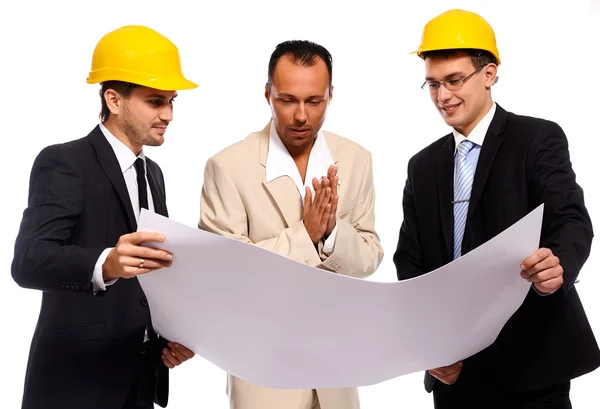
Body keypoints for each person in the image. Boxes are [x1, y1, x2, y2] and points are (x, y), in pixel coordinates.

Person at [392, 8, 600, 409]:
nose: (443, 96)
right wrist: (428, 345)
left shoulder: (536, 138)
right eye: (432, 84)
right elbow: (411, 263)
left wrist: (558, 264)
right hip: (456, 372)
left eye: (454, 80)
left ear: (488, 74)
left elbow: (572, 220)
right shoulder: (423, 166)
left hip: (533, 367)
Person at [11, 25, 198, 409]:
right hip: (76, 383)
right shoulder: (65, 162)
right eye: (155, 101)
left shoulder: (153, 174)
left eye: (171, 101)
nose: (168, 115)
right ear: (114, 99)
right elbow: (28, 262)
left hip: (138, 379)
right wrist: (106, 262)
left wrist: (166, 339)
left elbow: (146, 281)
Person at [198, 40, 384, 409]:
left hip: (336, 373)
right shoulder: (227, 166)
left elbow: (370, 255)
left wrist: (331, 235)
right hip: (264, 375)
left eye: (314, 101)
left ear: (331, 95)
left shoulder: (356, 159)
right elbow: (224, 273)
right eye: (287, 100)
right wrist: (306, 235)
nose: (301, 115)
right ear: (267, 93)